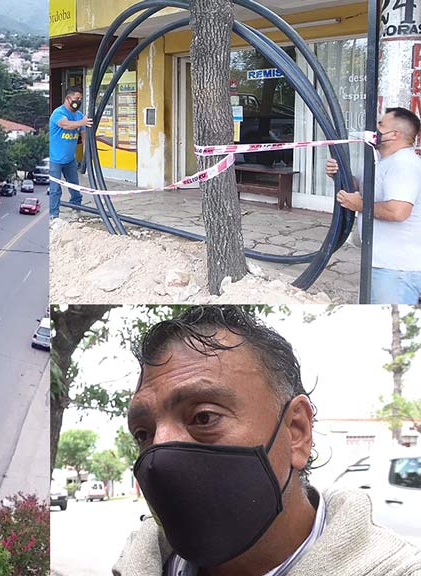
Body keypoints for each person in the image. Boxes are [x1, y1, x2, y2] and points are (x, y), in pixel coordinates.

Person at [114, 306, 421, 576]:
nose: (158, 448)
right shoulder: (137, 562)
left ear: (297, 431)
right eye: (144, 433)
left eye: (204, 417)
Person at [326, 107, 421, 304]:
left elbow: (398, 211)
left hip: (396, 269)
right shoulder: (382, 162)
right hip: (382, 264)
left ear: (394, 134)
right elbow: (358, 186)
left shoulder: (403, 164)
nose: (374, 130)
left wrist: (360, 205)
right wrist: (338, 174)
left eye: (380, 125)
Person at [49, 85, 94, 218]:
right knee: (55, 190)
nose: (78, 101)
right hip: (54, 160)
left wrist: (87, 155)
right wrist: (82, 122)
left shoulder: (79, 116)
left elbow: (84, 135)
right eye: (76, 98)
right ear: (68, 98)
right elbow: (65, 124)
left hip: (70, 160)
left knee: (75, 186)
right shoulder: (59, 113)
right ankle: (53, 215)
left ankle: (76, 208)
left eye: (80, 98)